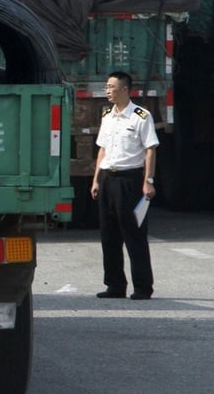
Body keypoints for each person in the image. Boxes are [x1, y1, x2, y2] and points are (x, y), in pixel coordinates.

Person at [90, 71, 159, 300]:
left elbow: (150, 149)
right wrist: (96, 179)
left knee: (134, 235)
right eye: (106, 87)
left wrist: (148, 181)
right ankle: (115, 285)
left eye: (111, 87)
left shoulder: (141, 116)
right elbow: (102, 149)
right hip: (109, 180)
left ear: (125, 90)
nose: (107, 90)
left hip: (130, 181)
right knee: (109, 236)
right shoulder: (107, 115)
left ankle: (142, 287)